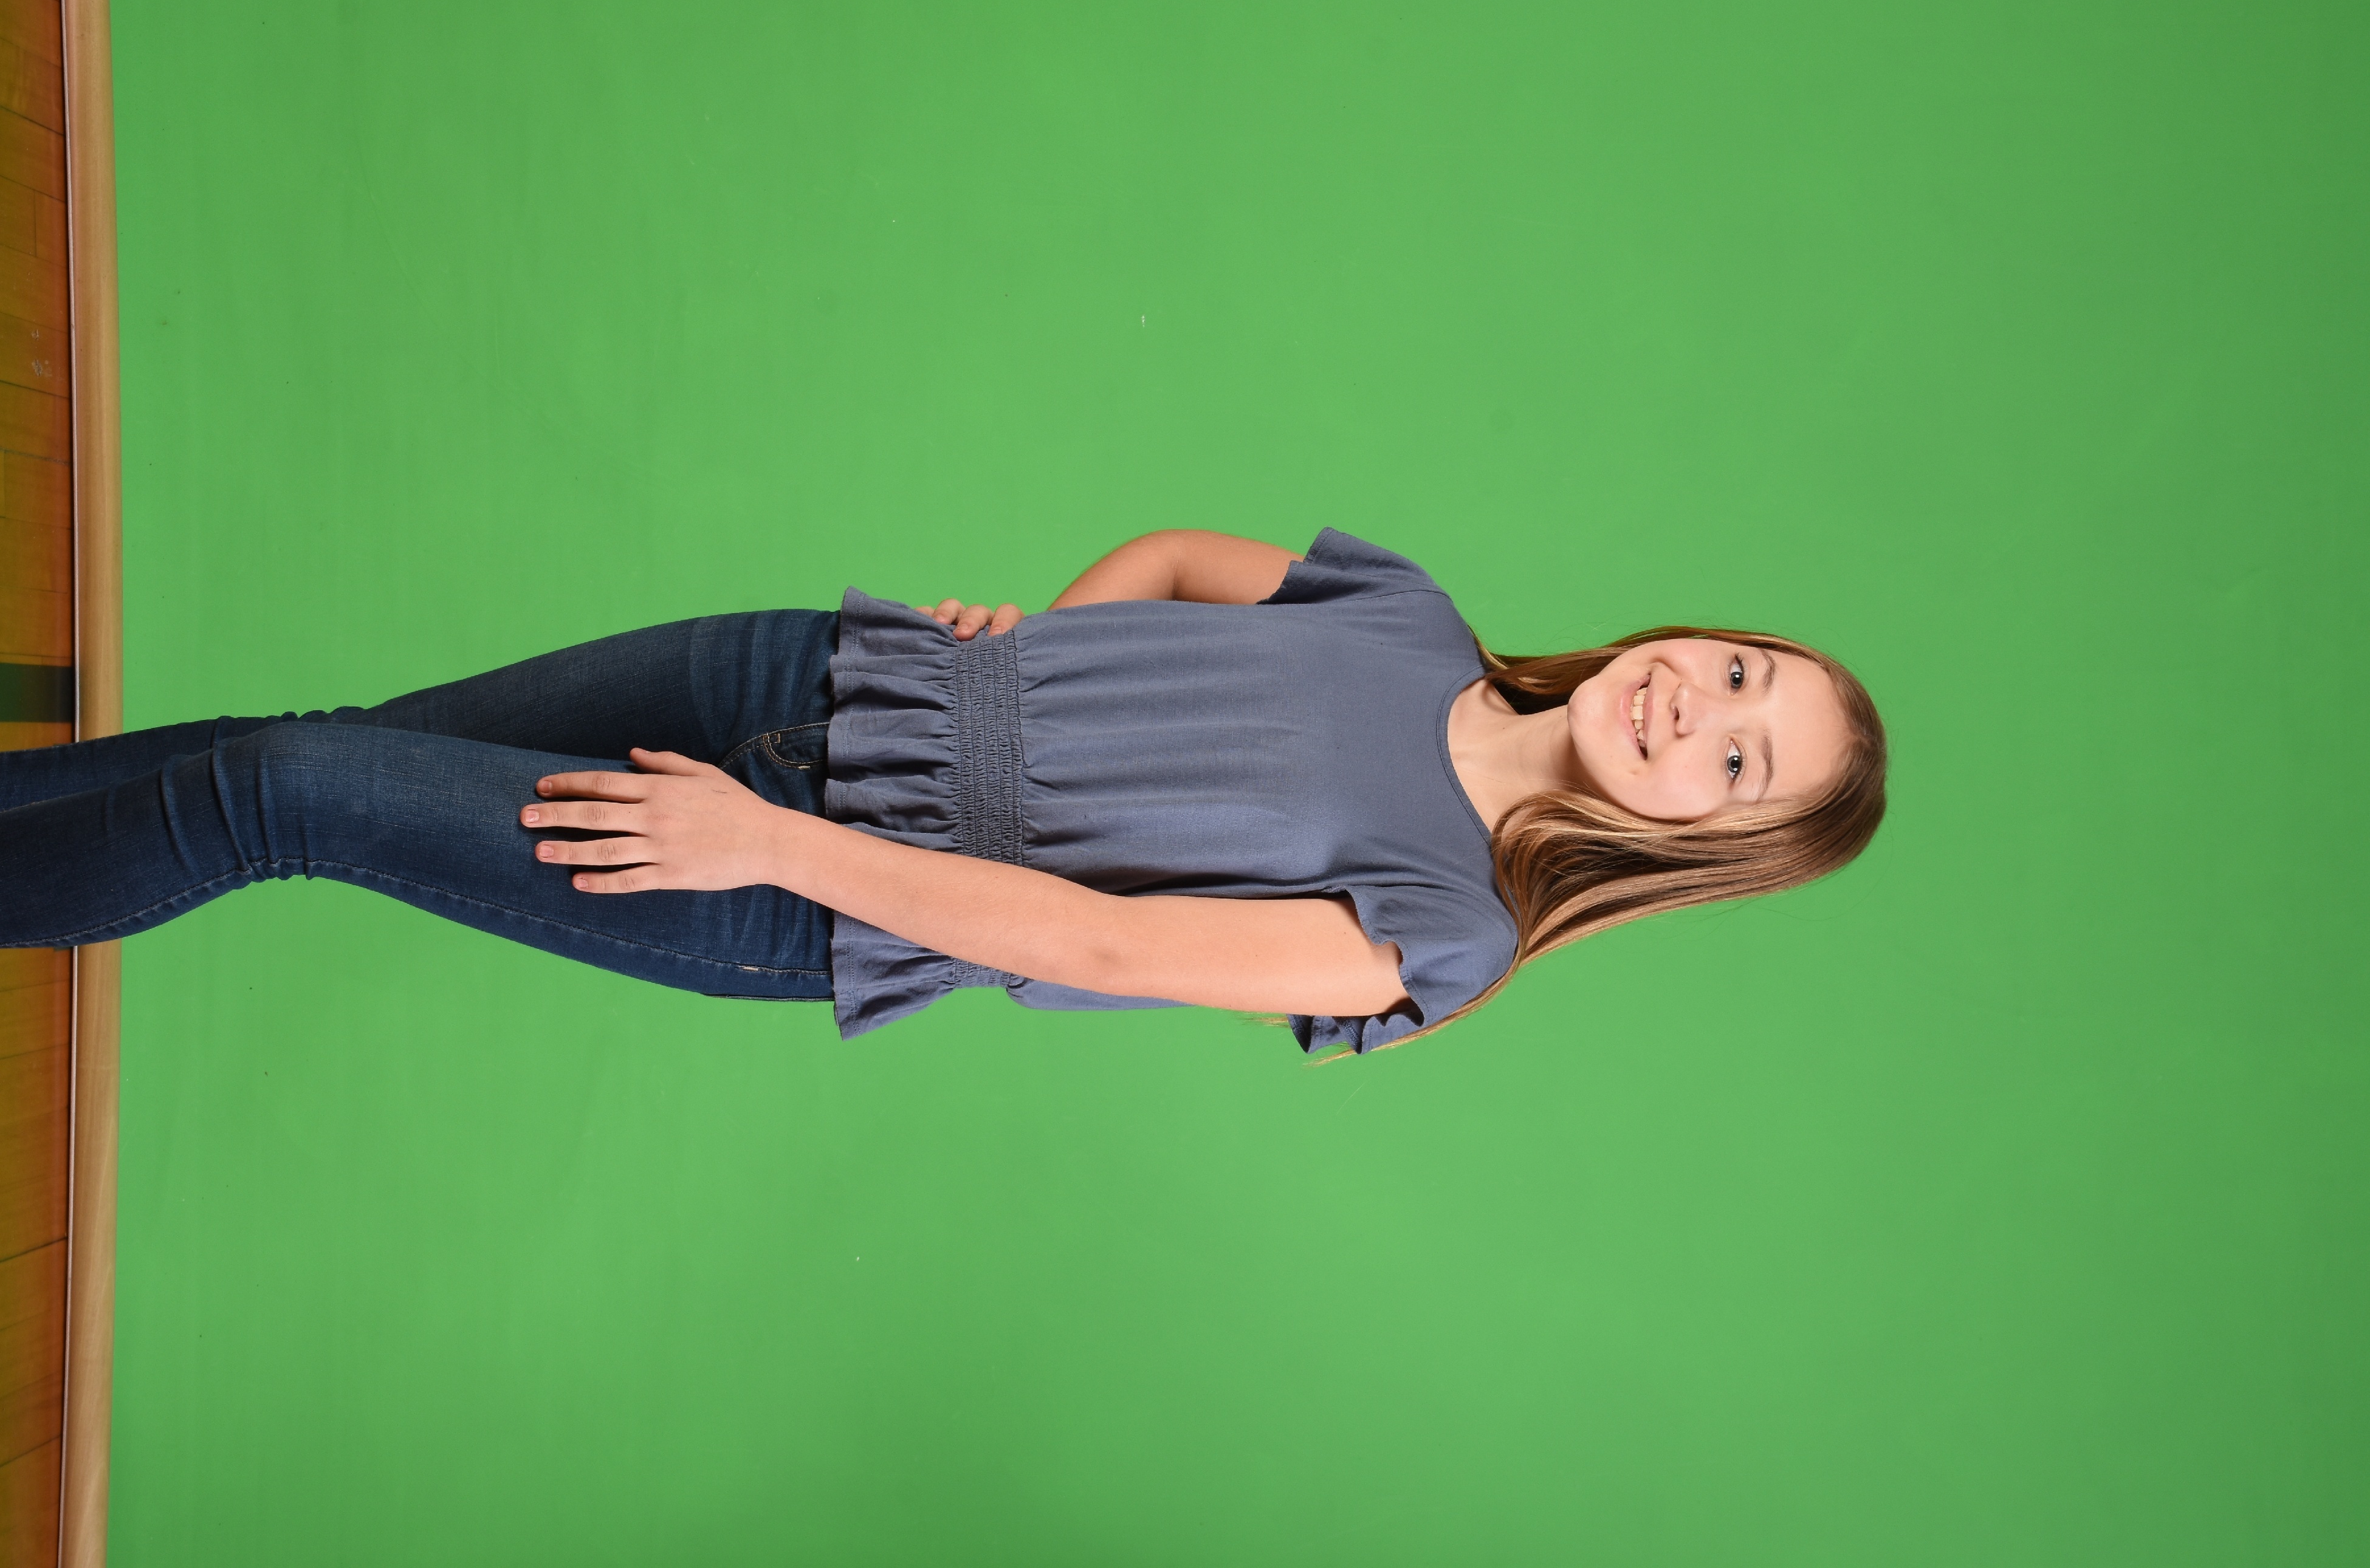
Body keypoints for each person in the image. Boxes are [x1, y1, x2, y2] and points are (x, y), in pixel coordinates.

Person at [0, 529, 1886, 1054]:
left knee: (282, 791)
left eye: (1739, 763)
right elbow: (1174, 561)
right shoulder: (1408, 616)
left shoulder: (1450, 932)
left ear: (1704, 845)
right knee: (305, 743)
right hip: (805, 675)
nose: (1696, 712)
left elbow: (1100, 948)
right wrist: (1039, 655)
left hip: (791, 880)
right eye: (1739, 671)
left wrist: (768, 840)